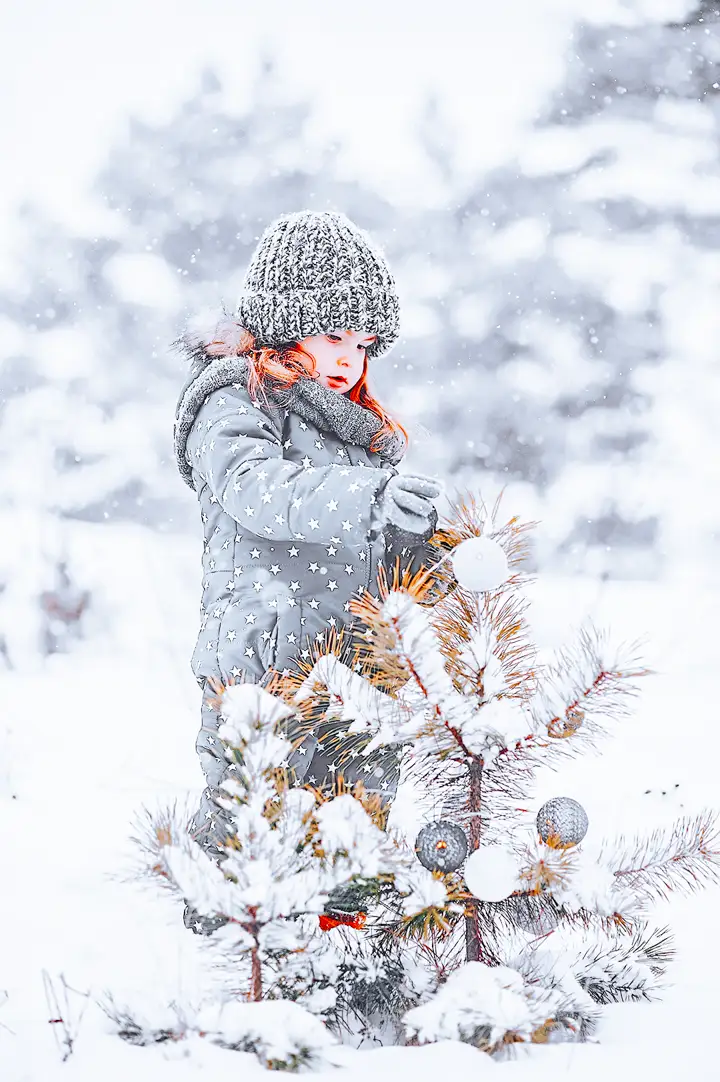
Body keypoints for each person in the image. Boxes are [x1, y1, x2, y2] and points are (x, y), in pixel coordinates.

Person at [172, 210, 444, 933]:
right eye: (332, 336)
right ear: (284, 324)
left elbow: (373, 546)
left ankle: (349, 963)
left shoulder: (356, 436)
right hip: (261, 664)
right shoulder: (235, 403)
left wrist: (426, 553)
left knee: (355, 832)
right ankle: (219, 967)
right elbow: (261, 492)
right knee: (250, 825)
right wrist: (372, 497)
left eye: (363, 344)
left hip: (353, 669)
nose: (349, 359)